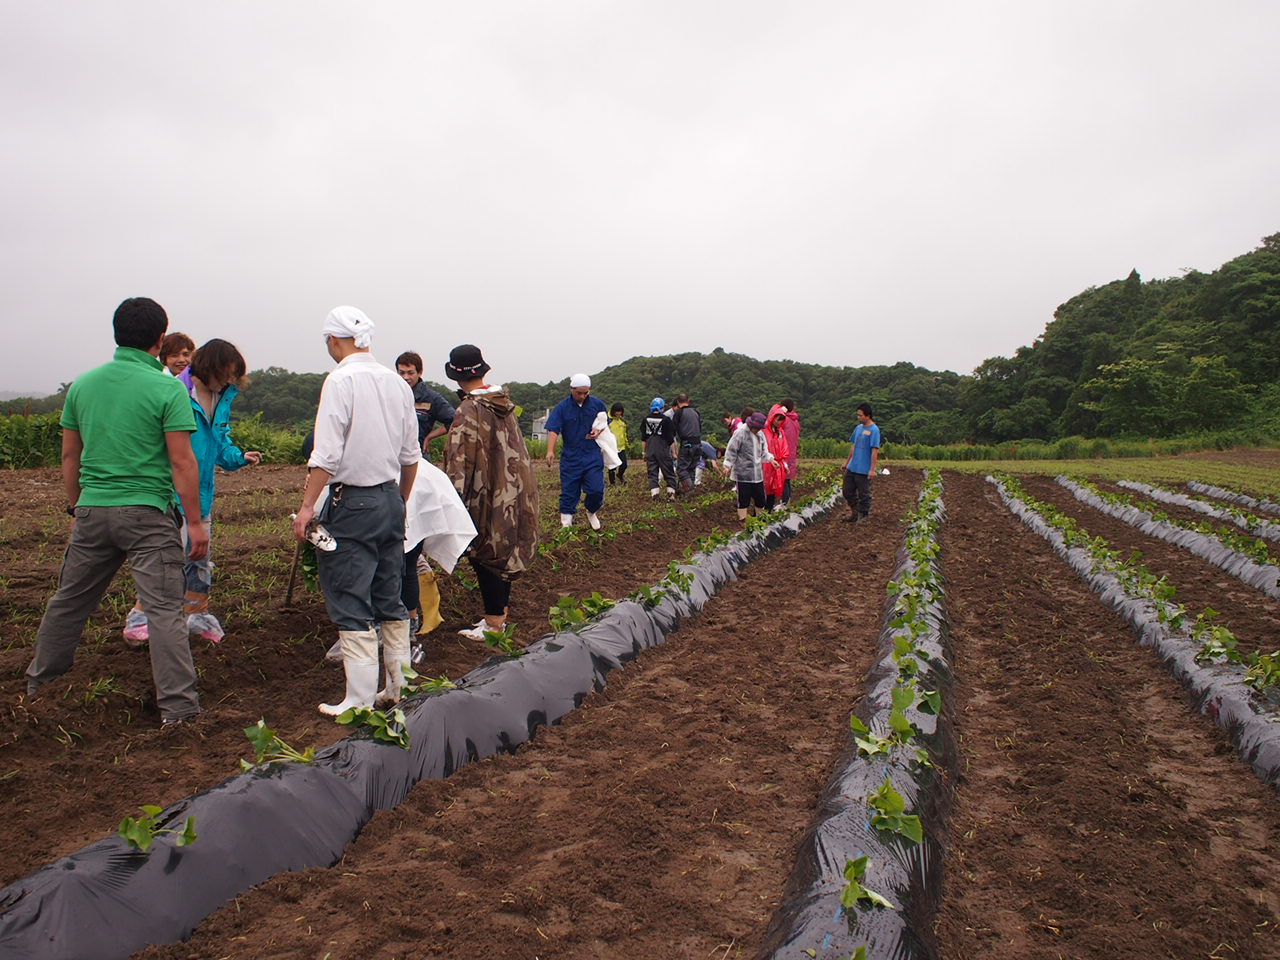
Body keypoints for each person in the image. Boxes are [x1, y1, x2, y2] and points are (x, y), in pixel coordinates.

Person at [25, 297, 206, 725]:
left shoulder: (83, 386)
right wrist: (196, 523)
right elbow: (182, 461)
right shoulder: (167, 388)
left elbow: (70, 456)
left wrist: (78, 505)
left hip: (92, 510)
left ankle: (38, 689)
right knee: (163, 611)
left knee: (69, 601)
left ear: (116, 334)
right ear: (160, 340)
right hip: (148, 514)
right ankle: (179, 711)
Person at [293, 306, 420, 715]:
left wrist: (307, 508)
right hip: (389, 498)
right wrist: (399, 501)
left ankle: (358, 700)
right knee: (389, 595)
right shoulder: (397, 383)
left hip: (353, 501)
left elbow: (326, 454)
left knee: (350, 597)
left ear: (333, 340)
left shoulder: (340, 380)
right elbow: (411, 456)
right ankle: (398, 688)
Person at [123, 339, 261, 646]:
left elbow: (219, 441)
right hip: (170, 491)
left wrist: (239, 457)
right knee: (167, 559)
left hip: (202, 492)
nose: (229, 380)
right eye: (226, 373)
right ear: (210, 367)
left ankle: (196, 615)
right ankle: (141, 618)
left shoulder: (221, 396)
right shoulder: (175, 392)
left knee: (199, 558)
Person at [443, 344, 539, 641]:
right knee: (503, 548)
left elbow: (459, 462)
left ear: (456, 376)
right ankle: (500, 615)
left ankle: (494, 623)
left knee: (485, 552)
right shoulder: (502, 403)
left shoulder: (469, 409)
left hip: (485, 492)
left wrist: (453, 502)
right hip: (512, 488)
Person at [544, 373, 607, 529]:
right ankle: (566, 525)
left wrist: (598, 431)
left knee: (596, 489)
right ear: (571, 389)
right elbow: (553, 429)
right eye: (579, 393)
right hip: (571, 455)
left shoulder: (597, 405)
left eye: (585, 393)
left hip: (592, 454)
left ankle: (591, 511)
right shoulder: (562, 408)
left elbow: (604, 422)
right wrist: (550, 451)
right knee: (569, 491)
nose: (582, 396)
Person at [395, 351, 455, 453]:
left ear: (420, 372)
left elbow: (455, 420)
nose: (405, 377)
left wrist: (430, 436)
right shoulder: (389, 394)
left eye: (410, 373)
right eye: (402, 373)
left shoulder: (431, 398)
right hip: (393, 453)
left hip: (418, 453)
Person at [721, 411, 774, 523]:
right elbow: (732, 450)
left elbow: (764, 452)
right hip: (743, 473)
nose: (757, 430)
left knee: (760, 498)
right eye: (756, 428)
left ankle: (759, 521)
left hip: (757, 473)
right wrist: (728, 465)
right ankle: (743, 521)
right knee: (743, 499)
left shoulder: (760, 435)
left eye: (759, 428)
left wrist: (771, 459)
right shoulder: (740, 433)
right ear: (751, 425)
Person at [842, 402, 881, 523]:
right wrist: (847, 463)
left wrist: (872, 469)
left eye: (860, 415)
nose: (858, 417)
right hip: (853, 466)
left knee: (864, 494)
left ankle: (863, 515)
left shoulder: (874, 430)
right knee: (847, 491)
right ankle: (855, 512)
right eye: (858, 415)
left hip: (864, 468)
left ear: (868, 416)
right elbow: (854, 446)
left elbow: (874, 451)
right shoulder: (858, 428)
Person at [641, 397, 677, 500]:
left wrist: (644, 452)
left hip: (650, 449)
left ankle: (655, 495)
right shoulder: (666, 420)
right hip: (663, 450)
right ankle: (671, 495)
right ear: (662, 407)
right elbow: (670, 439)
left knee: (652, 473)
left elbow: (644, 438)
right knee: (668, 472)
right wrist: (674, 453)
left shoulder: (645, 419)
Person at [670, 393, 703, 494]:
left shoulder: (679, 413)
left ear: (678, 402)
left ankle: (690, 490)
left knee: (681, 469)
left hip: (687, 444)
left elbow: (672, 431)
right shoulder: (696, 412)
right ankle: (690, 490)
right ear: (688, 401)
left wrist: (674, 450)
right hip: (698, 444)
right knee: (691, 468)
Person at [762, 404, 791, 511]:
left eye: (781, 420)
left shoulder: (780, 432)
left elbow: (784, 449)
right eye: (777, 419)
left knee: (772, 490)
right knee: (764, 489)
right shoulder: (764, 431)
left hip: (777, 465)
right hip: (765, 464)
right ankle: (760, 513)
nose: (778, 422)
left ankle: (768, 512)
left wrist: (785, 465)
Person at [779, 398, 801, 505]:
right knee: (787, 479)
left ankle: (784, 502)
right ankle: (786, 500)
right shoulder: (795, 421)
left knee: (783, 478)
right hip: (792, 452)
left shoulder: (784, 420)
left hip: (784, 452)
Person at [606, 403, 629, 485]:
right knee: (612, 466)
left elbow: (624, 434)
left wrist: (627, 444)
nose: (618, 413)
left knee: (624, 465)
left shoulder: (622, 422)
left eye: (620, 411)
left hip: (621, 447)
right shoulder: (608, 421)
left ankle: (620, 475)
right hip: (611, 447)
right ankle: (612, 483)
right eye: (617, 411)